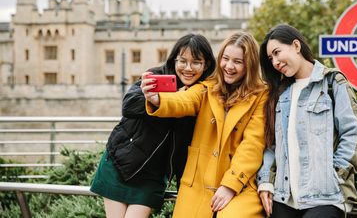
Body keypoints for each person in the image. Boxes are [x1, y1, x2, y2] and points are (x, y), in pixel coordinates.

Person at [142, 32, 268, 218]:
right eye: (225, 59)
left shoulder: (261, 95)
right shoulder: (207, 87)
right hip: (198, 181)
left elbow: (253, 145)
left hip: (239, 184)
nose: (229, 66)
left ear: (249, 65)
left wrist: (230, 185)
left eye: (238, 62)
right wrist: (157, 99)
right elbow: (183, 100)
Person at [90, 33, 216, 218]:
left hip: (152, 175)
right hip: (122, 163)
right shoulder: (158, 76)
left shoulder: (201, 95)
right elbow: (129, 105)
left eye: (196, 62)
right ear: (174, 60)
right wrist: (165, 97)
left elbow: (187, 146)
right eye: (182, 61)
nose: (188, 68)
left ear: (206, 65)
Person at [256, 24, 357, 218]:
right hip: (284, 198)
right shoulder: (280, 93)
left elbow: (354, 133)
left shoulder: (333, 82)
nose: (274, 62)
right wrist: (265, 180)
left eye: (277, 52)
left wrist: (335, 175)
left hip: (326, 196)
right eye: (270, 58)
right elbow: (272, 145)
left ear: (296, 46)